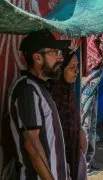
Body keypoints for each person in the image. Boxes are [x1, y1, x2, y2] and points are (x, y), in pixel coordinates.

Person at [8, 30, 70, 179]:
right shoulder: (27, 89)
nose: (60, 58)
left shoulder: (39, 87)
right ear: (37, 57)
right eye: (54, 52)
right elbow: (32, 144)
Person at [48, 49, 88, 180]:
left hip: (73, 151)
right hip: (57, 155)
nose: (76, 71)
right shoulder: (53, 94)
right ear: (60, 68)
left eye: (76, 67)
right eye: (71, 67)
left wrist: (80, 132)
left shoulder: (69, 91)